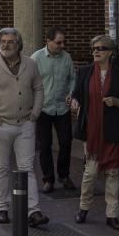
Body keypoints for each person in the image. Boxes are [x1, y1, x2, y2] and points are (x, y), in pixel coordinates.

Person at [0, 27, 48, 227]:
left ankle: (33, 210)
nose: (6, 45)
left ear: (19, 44)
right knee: (2, 167)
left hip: (25, 124)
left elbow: (38, 88)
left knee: (27, 168)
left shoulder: (30, 64)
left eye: (10, 42)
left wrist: (35, 113)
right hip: (1, 124)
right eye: (3, 41)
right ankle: (2, 207)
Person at [72, 35, 119, 231]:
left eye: (101, 48)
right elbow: (77, 95)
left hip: (112, 131)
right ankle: (83, 209)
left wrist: (117, 102)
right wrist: (74, 102)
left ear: (111, 52)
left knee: (113, 173)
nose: (96, 51)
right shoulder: (84, 72)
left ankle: (112, 215)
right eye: (94, 48)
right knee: (90, 174)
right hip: (92, 132)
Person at [31, 27, 76, 193]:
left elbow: (72, 78)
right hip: (44, 108)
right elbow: (29, 83)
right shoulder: (36, 58)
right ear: (48, 41)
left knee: (66, 143)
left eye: (63, 42)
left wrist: (71, 94)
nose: (62, 45)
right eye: (58, 42)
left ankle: (63, 175)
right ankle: (48, 179)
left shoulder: (67, 58)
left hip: (62, 108)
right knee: (45, 145)